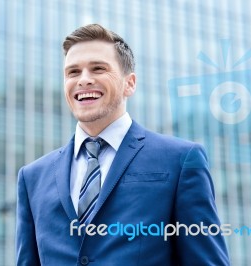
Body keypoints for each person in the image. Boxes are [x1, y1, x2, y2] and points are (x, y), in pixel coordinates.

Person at [16, 23, 230, 265]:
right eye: (73, 72)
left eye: (98, 68)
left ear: (130, 83)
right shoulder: (32, 177)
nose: (84, 80)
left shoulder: (180, 160)